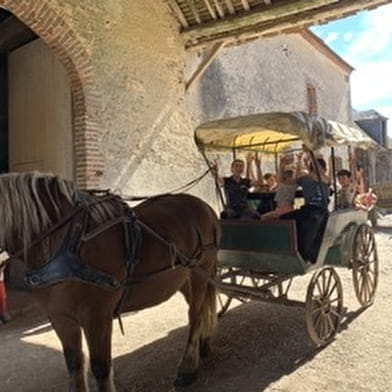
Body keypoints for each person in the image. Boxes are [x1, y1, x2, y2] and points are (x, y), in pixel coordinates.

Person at [280, 145, 330, 262]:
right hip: (307, 209)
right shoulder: (306, 179)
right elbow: (283, 180)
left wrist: (310, 154)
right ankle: (289, 250)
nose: (315, 172)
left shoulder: (325, 179)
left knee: (310, 222)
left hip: (320, 211)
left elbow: (320, 174)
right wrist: (282, 166)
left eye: (317, 169)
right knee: (285, 219)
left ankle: (306, 255)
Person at [260, 155, 297, 220]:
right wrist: (282, 164)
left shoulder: (286, 182)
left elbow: (279, 175)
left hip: (283, 210)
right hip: (284, 209)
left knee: (263, 218)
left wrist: (282, 164)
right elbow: (279, 175)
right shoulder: (291, 183)